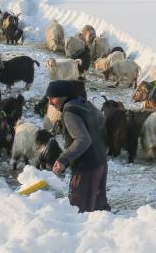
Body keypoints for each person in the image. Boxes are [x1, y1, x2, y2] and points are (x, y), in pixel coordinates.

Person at [46, 79, 110, 213]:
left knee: (78, 211)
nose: (50, 103)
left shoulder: (69, 112)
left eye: (53, 98)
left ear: (63, 96)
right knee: (99, 210)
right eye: (48, 99)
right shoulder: (85, 104)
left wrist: (63, 159)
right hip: (100, 163)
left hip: (86, 168)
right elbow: (102, 121)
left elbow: (82, 140)